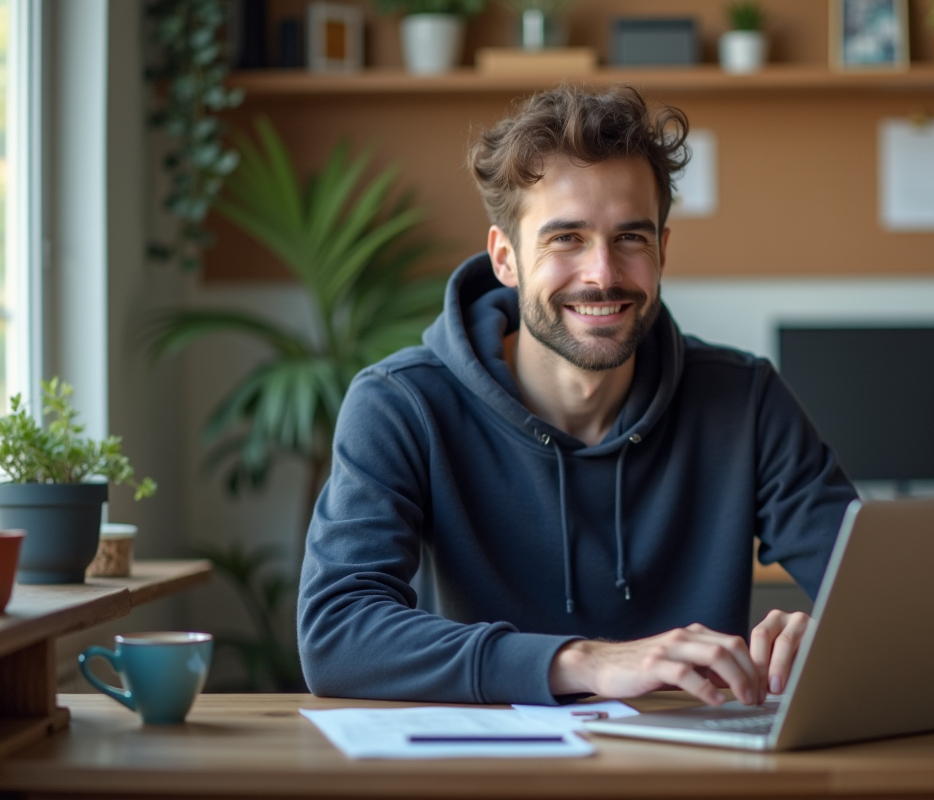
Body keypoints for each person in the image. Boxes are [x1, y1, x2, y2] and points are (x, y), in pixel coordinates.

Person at [297, 84, 858, 708]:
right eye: (566, 238)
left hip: (700, 767)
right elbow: (337, 633)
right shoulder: (402, 405)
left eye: (631, 238)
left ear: (663, 251)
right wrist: (584, 661)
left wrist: (839, 637)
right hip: (485, 771)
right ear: (506, 259)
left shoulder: (746, 401)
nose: (603, 274)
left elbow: (897, 600)